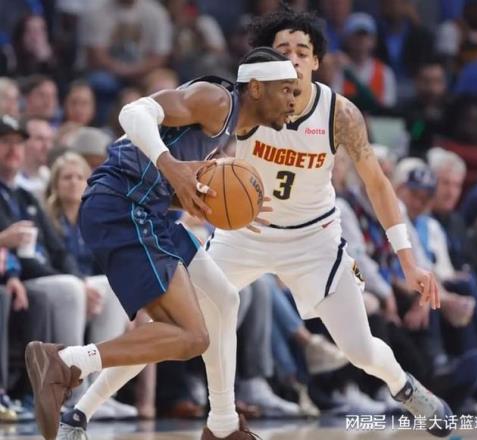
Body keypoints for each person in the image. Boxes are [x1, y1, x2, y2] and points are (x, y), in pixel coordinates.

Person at [55, 6, 452, 440]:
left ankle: (404, 386)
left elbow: (377, 185)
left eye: (302, 51)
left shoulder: (339, 114)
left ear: (316, 61)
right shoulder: (249, 102)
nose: (293, 58)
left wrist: (408, 261)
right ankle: (81, 412)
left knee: (359, 348)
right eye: (283, 50)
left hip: (314, 240)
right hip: (243, 235)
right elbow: (196, 154)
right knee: (169, 324)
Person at [25, 46, 298, 440]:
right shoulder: (217, 100)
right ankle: (66, 362)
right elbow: (133, 113)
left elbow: (161, 175)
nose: (293, 100)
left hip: (150, 210)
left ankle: (222, 423)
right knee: (191, 336)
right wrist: (173, 168)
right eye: (286, 90)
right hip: (122, 204)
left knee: (224, 300)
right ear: (256, 88)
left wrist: (198, 199)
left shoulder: (230, 126)